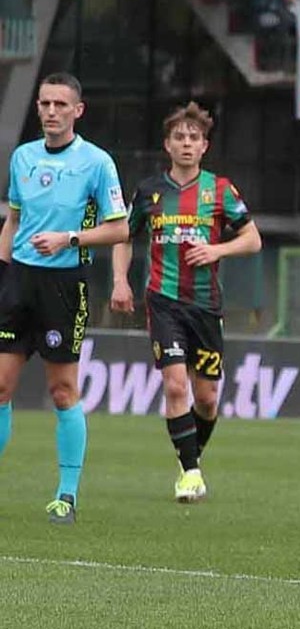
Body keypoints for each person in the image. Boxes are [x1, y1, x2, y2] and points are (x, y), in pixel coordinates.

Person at [110, 102, 261, 504]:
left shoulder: (220, 190)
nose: (187, 143)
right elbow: (124, 236)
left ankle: (188, 457)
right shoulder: (148, 191)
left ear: (205, 146)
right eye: (180, 137)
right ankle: (192, 473)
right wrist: (120, 281)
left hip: (207, 306)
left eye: (194, 138)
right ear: (168, 144)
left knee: (207, 398)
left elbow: (253, 239)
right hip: (163, 301)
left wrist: (216, 251)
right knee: (175, 386)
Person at [0, 73, 130, 525]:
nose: (51, 111)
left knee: (61, 391)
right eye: (45, 103)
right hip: (18, 283)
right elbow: (12, 221)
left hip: (64, 286)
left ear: (78, 110)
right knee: (0, 387)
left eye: (60, 104)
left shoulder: (97, 163)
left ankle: (66, 496)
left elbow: (119, 228)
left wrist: (69, 238)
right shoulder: (23, 158)